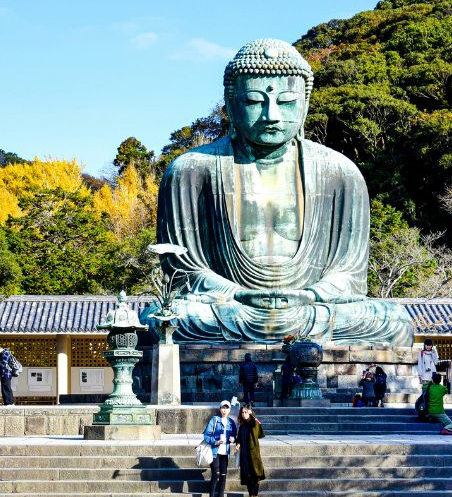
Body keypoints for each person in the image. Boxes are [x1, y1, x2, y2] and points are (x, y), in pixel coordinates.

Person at [150, 40, 413, 347]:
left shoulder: (340, 173)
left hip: (311, 308)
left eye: (286, 102)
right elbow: (182, 271)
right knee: (169, 317)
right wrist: (237, 293)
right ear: (230, 105)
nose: (271, 115)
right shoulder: (191, 170)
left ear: (305, 104)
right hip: (230, 308)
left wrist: (310, 294)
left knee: (392, 321)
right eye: (253, 102)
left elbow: (349, 274)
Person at [203, 399, 238, 497]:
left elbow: (235, 435)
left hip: (225, 452)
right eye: (223, 408)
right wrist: (215, 441)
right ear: (220, 408)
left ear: (229, 410)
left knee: (223, 475)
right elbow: (206, 435)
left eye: (226, 408)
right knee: (215, 474)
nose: (224, 410)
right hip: (215, 451)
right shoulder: (214, 420)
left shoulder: (231, 422)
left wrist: (234, 439)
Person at [235, 404, 266, 497]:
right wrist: (238, 444)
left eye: (245, 412)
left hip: (253, 454)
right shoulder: (242, 425)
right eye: (242, 412)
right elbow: (239, 437)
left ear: (249, 412)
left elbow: (258, 429)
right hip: (244, 454)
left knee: (254, 476)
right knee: (247, 476)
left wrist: (252, 414)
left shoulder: (254, 422)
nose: (244, 414)